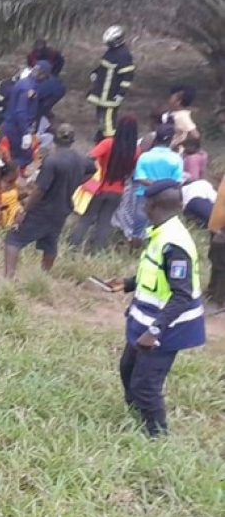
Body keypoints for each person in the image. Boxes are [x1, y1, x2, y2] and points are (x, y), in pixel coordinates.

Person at [102, 181, 205, 437]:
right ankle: (137, 421)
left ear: (151, 206)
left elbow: (181, 294)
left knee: (146, 385)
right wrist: (127, 284)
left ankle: (156, 436)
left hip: (166, 328)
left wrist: (155, 330)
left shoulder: (174, 243)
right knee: (128, 370)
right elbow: (157, 275)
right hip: (145, 320)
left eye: (145, 203)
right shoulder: (160, 233)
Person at [4, 126, 90, 278]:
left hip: (43, 209)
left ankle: (8, 278)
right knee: (50, 242)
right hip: (63, 209)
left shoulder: (52, 161)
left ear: (55, 139)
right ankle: (43, 277)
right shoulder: (80, 160)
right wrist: (76, 182)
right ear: (72, 141)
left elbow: (39, 190)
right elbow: (93, 169)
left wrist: (24, 211)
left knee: (14, 238)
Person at [69, 114, 139, 253]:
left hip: (99, 188)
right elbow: (132, 171)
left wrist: (98, 170)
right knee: (104, 222)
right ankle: (97, 250)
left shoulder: (108, 143)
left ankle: (72, 247)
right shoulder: (136, 151)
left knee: (86, 218)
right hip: (118, 191)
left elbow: (90, 157)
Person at [88, 25, 136, 139]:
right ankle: (102, 134)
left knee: (108, 120)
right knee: (101, 116)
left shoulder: (124, 55)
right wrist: (96, 72)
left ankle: (109, 140)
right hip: (102, 92)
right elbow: (104, 66)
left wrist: (121, 93)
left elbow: (128, 76)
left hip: (111, 94)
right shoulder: (111, 52)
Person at [0, 62, 47, 169]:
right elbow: (21, 111)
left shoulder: (25, 82)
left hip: (15, 125)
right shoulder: (27, 87)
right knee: (23, 158)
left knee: (12, 155)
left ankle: (5, 174)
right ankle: (7, 178)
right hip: (17, 127)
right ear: (42, 75)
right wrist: (25, 133)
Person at [206, 174, 225, 314]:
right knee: (215, 259)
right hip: (216, 224)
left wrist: (223, 231)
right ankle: (212, 291)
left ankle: (220, 301)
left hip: (222, 229)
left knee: (223, 264)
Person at [167, 85, 199, 151]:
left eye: (171, 98)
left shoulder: (182, 116)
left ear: (178, 102)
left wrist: (178, 144)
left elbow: (195, 135)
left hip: (177, 152)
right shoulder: (175, 114)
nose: (169, 100)